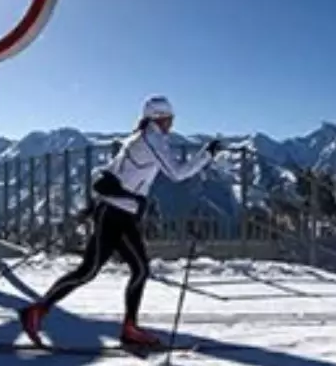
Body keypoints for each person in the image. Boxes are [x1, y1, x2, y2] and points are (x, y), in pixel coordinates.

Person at [18, 95, 222, 347]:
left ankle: (122, 325)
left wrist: (97, 204)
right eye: (171, 118)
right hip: (117, 214)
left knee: (102, 270)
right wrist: (206, 155)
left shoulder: (139, 136)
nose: (172, 123)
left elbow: (113, 172)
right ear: (162, 118)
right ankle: (42, 311)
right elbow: (177, 173)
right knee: (105, 270)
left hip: (114, 212)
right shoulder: (152, 140)